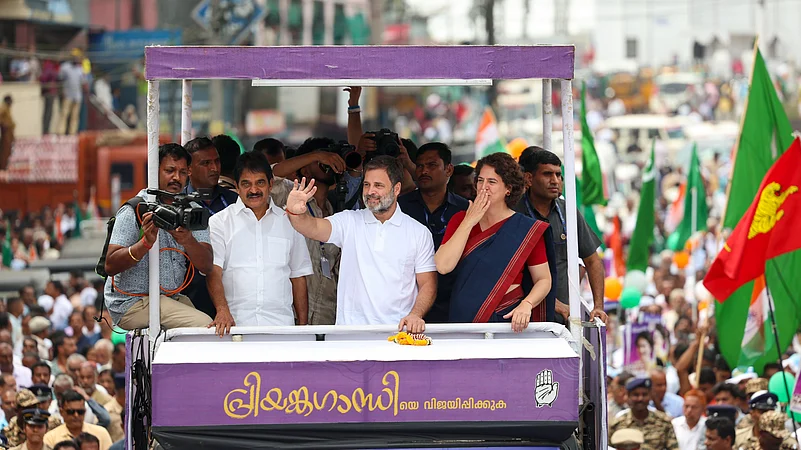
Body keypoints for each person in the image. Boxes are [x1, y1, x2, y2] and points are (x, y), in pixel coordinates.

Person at [285, 156, 437, 331]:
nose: (370, 191)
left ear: (396, 189)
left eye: (378, 185)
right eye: (366, 184)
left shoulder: (418, 232)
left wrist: (415, 315)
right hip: (350, 334)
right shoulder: (349, 221)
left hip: (397, 334)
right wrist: (295, 213)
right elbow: (313, 227)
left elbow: (428, 284)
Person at [102, 143, 214, 331]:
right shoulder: (136, 209)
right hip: (131, 304)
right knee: (203, 326)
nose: (176, 178)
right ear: (155, 171)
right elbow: (110, 265)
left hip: (169, 298)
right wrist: (145, 244)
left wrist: (188, 240)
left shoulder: (192, 211)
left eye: (182, 172)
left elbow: (207, 265)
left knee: (211, 328)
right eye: (170, 171)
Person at [435, 152, 551, 330]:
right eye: (480, 181)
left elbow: (543, 279)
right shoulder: (460, 220)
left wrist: (527, 304)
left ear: (508, 188)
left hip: (507, 317)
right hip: (465, 316)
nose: (484, 187)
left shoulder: (525, 228)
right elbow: (443, 266)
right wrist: (469, 221)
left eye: (492, 182)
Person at [207, 151, 312, 333]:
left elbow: (298, 276)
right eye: (246, 184)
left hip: (281, 328)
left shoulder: (290, 222)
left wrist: (303, 328)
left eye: (260, 183)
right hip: (235, 326)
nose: (254, 190)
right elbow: (213, 272)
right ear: (237, 186)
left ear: (271, 184)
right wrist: (222, 310)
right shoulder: (220, 222)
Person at [516, 150, 607, 324]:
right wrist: (553, 302)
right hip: (523, 321)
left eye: (558, 175)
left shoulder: (568, 211)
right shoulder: (514, 212)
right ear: (529, 179)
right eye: (547, 174)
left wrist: (598, 306)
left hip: (564, 322)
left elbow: (593, 261)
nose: (555, 181)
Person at [269, 141, 345, 325]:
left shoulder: (334, 212)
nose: (328, 163)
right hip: (293, 311)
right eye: (323, 162)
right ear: (305, 170)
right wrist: (316, 156)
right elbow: (271, 175)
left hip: (326, 311)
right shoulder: (291, 194)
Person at [398, 143, 469, 323]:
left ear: (449, 170)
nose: (424, 171)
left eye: (431, 165)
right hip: (408, 302)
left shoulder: (465, 209)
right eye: (420, 166)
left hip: (454, 301)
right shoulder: (399, 207)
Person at [180, 137, 238, 320]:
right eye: (206, 163)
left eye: (217, 161)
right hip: (193, 295)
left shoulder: (235, 201)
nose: (214, 168)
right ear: (189, 169)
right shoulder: (177, 205)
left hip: (234, 292)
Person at [609, 377, 679, 450]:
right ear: (628, 396)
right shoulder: (617, 423)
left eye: (644, 394)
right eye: (636, 395)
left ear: (650, 396)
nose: (640, 399)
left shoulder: (663, 421)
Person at [43, 390, 111, 450]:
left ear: (85, 411)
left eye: (80, 412)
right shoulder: (50, 438)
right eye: (71, 412)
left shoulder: (101, 433)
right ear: (61, 412)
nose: (76, 415)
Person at [57, 54, 86, 136]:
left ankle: (72, 132)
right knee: (64, 114)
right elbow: (60, 78)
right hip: (67, 94)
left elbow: (83, 82)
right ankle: (61, 132)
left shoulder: (80, 69)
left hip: (77, 96)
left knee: (75, 115)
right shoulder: (65, 67)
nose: (76, 59)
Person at [0, 95, 15, 170]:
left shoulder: (7, 109)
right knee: (4, 153)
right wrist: (6, 125)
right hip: (5, 136)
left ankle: (5, 167)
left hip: (9, 136)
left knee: (8, 153)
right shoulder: (3, 108)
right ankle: (3, 168)